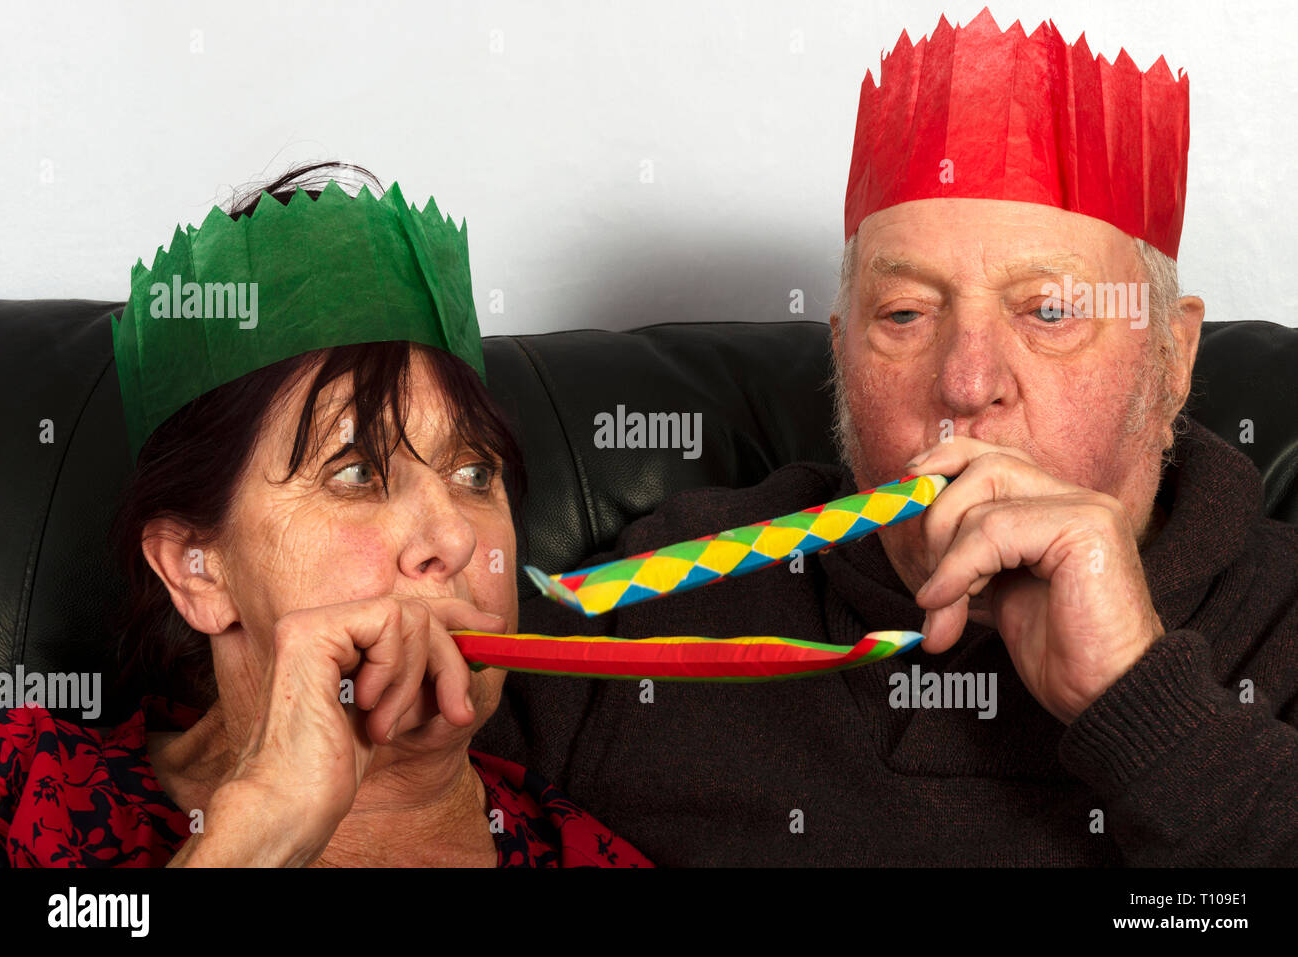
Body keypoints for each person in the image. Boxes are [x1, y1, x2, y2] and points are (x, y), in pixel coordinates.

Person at [476, 9, 1298, 865]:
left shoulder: (1284, 618)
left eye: (1049, 311)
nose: (968, 384)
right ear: (840, 352)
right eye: (905, 314)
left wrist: (1140, 697)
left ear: (1172, 357)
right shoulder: (671, 595)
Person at [0, 163, 650, 868]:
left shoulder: (592, 855)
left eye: (475, 474)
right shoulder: (22, 790)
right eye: (357, 474)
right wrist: (262, 834)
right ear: (197, 574)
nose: (457, 540)